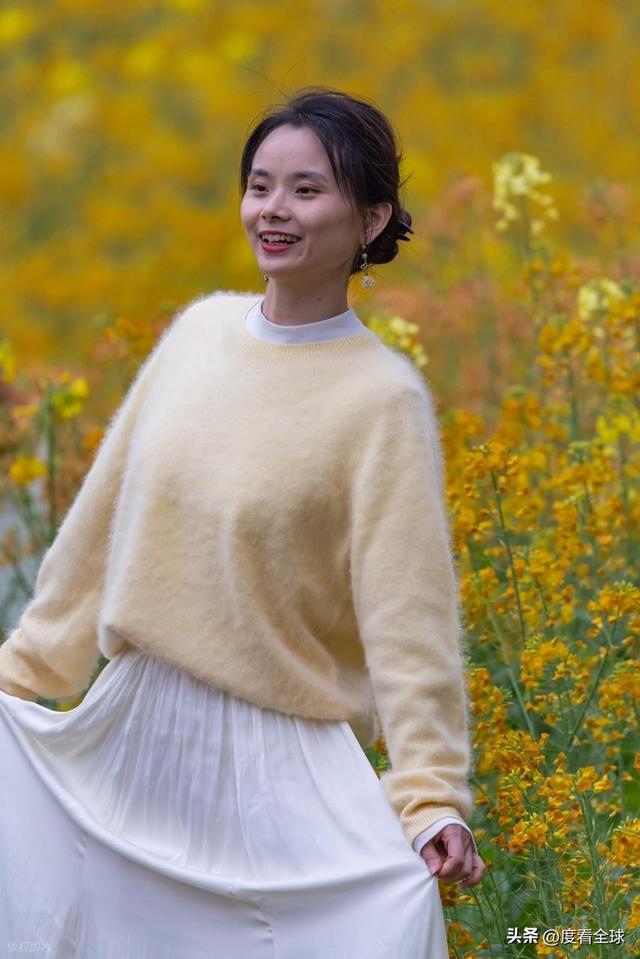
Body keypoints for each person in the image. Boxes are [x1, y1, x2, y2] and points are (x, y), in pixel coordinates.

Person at [0, 85, 487, 957]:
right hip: (133, 742)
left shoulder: (382, 401)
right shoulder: (198, 334)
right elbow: (100, 528)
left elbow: (407, 621)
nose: (274, 209)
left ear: (372, 219)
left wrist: (430, 798)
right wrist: (21, 673)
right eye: (260, 186)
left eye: (307, 189)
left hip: (282, 772)